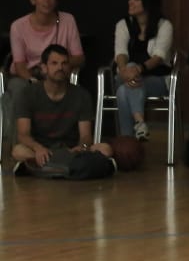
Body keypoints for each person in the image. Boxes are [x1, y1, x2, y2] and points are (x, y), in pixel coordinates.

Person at [10, 44, 112, 176]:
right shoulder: (27, 94)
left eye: (64, 63)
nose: (60, 68)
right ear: (44, 68)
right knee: (18, 151)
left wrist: (81, 148)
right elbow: (23, 135)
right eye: (54, 63)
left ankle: (48, 169)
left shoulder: (82, 95)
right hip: (41, 150)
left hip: (70, 150)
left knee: (106, 149)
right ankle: (68, 169)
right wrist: (39, 149)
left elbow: (86, 136)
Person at [5, 0, 86, 147]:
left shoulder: (67, 20)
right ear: (32, 0)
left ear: (56, 0)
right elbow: (20, 65)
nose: (47, 0)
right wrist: (34, 81)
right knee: (20, 89)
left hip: (58, 73)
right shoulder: (18, 26)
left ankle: (63, 147)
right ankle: (20, 149)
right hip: (29, 75)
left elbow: (79, 58)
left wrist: (57, 65)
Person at [112, 0, 174, 140]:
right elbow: (120, 53)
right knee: (129, 72)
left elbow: (158, 57)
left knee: (122, 92)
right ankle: (140, 122)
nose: (129, 2)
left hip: (157, 80)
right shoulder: (123, 25)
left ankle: (127, 142)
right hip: (125, 76)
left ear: (147, 2)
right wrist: (125, 70)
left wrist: (138, 69)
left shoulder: (164, 26)